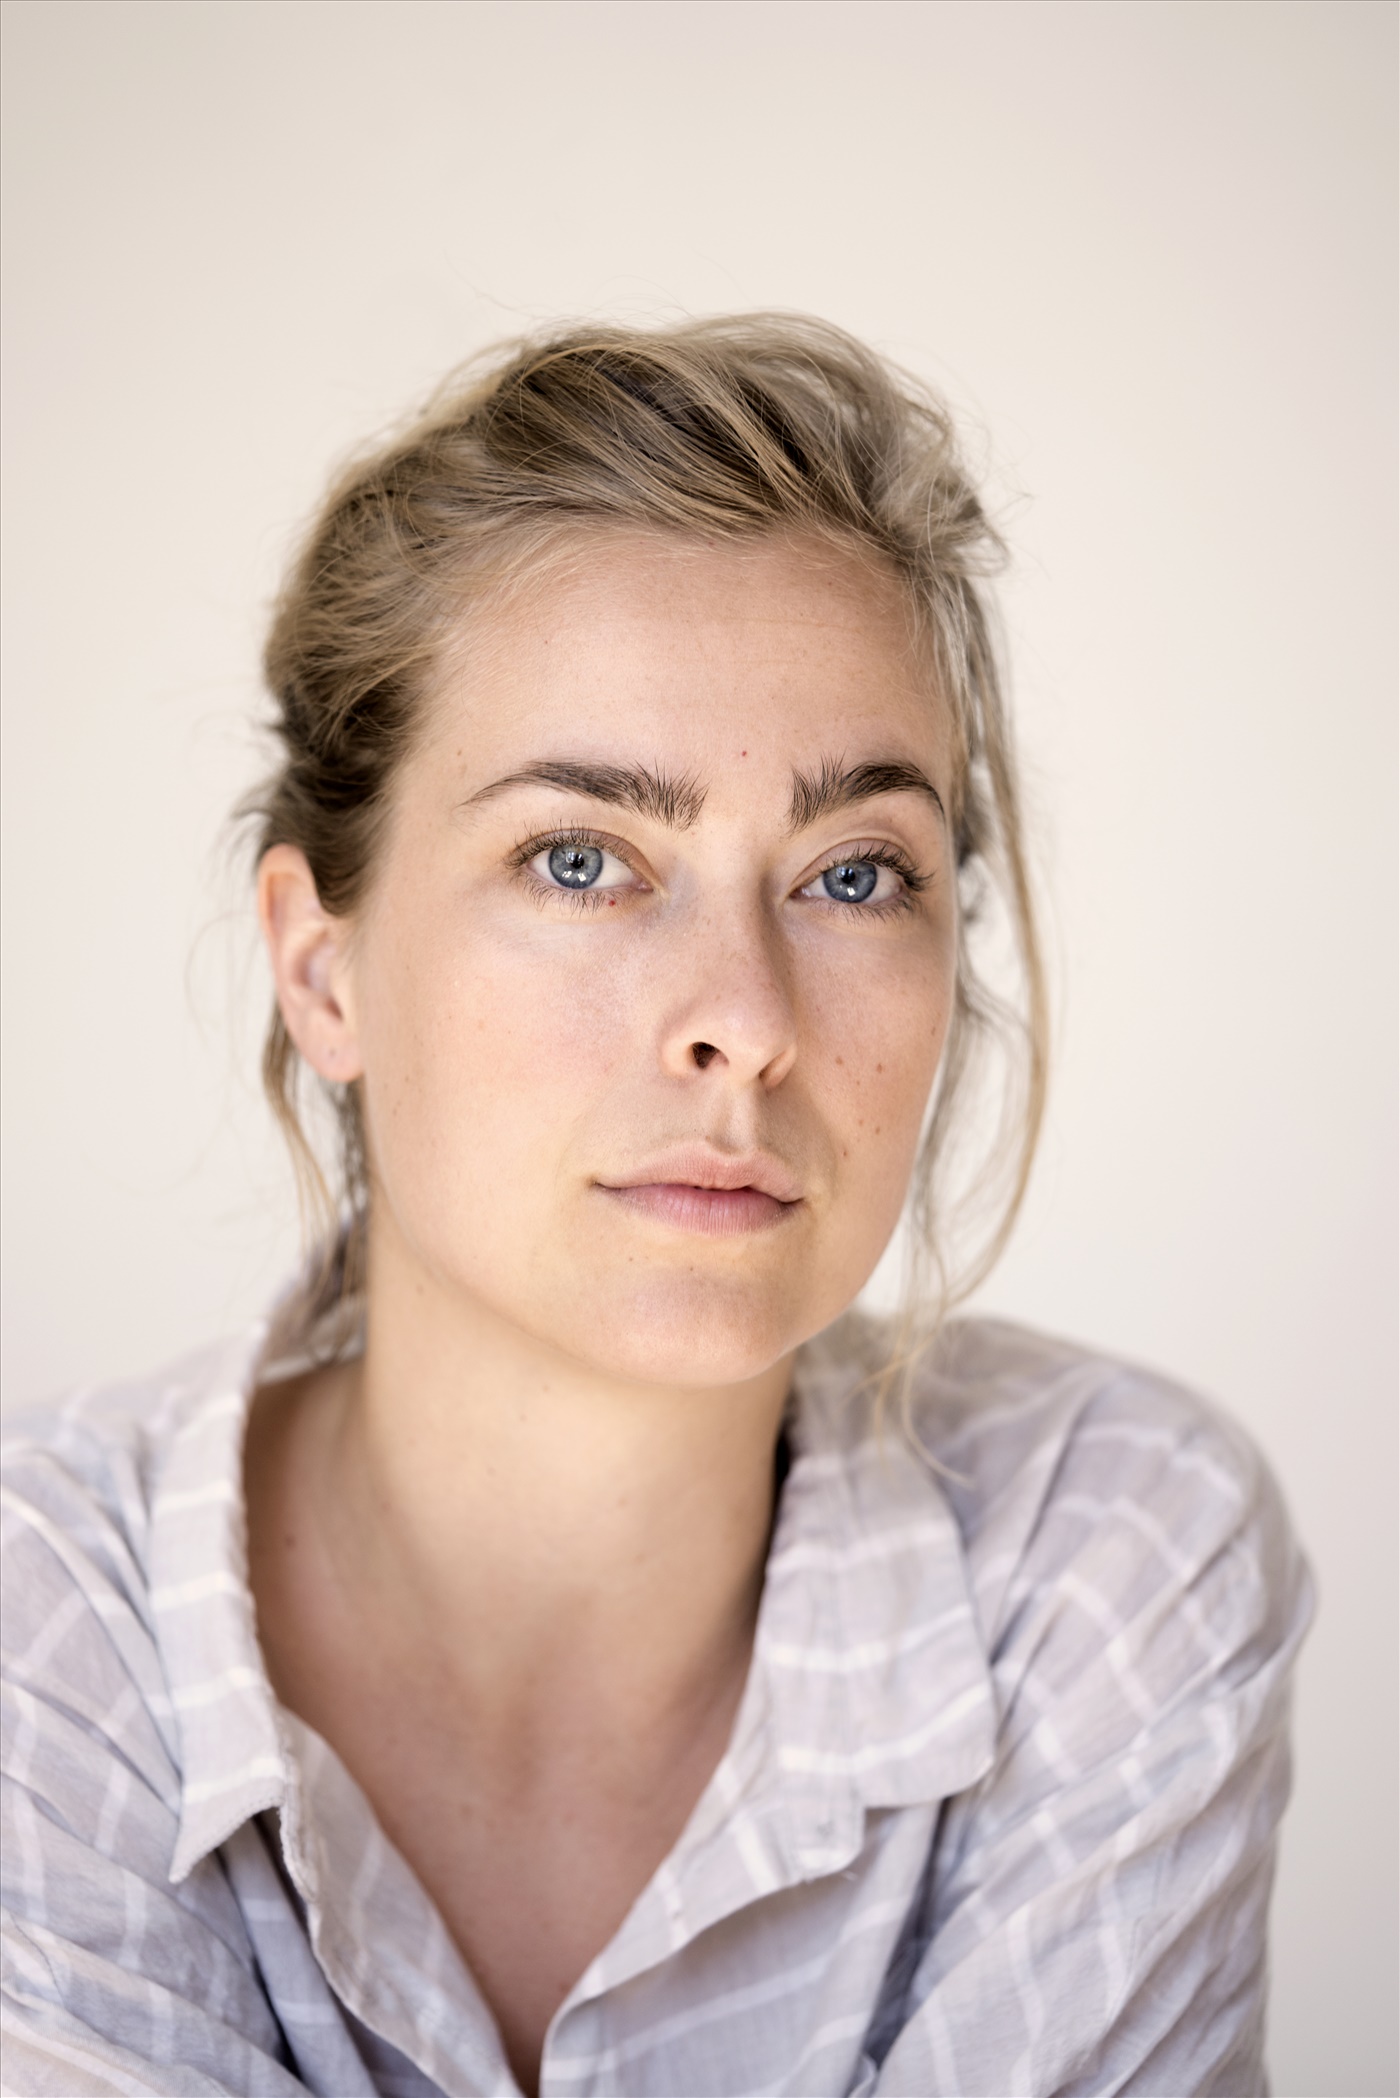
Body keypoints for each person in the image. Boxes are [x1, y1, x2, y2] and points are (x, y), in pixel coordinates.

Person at [1, 317, 1310, 2098]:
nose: (746, 1019)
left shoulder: (1107, 1557)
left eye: (856, 875)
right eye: (581, 859)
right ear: (323, 969)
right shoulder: (43, 1624)